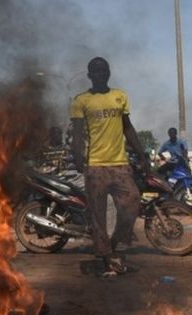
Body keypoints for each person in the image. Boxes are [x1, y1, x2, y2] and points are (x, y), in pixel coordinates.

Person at [71, 57, 149, 277]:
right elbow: (77, 134)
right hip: (95, 166)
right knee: (98, 216)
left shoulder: (119, 96)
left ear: (109, 72)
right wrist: (78, 158)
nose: (100, 74)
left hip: (120, 164)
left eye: (104, 70)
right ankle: (105, 257)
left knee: (133, 202)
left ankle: (113, 244)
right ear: (89, 75)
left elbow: (128, 127)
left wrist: (142, 154)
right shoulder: (81, 100)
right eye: (96, 71)